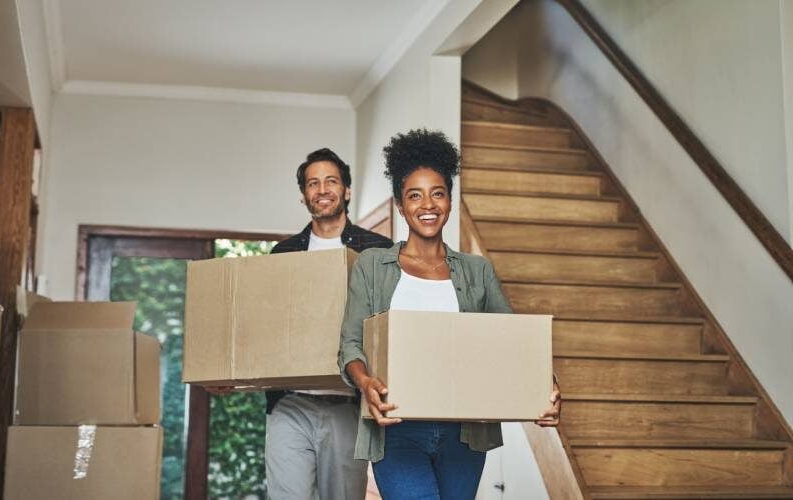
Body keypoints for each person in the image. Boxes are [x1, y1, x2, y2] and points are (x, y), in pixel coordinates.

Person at [338, 129, 561, 500]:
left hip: (465, 432)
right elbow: (350, 345)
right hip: (396, 426)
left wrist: (546, 385)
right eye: (415, 195)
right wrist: (365, 383)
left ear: (450, 201)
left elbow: (515, 342)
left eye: (437, 193)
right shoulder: (372, 266)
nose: (428, 204)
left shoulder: (477, 271)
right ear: (399, 204)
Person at [211, 148, 393, 500]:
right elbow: (262, 328)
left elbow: (389, 327)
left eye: (331, 181)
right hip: (290, 404)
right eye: (313, 183)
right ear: (303, 195)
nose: (322, 189)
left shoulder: (379, 251)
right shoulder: (283, 254)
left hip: (347, 403)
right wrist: (227, 375)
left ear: (347, 191)